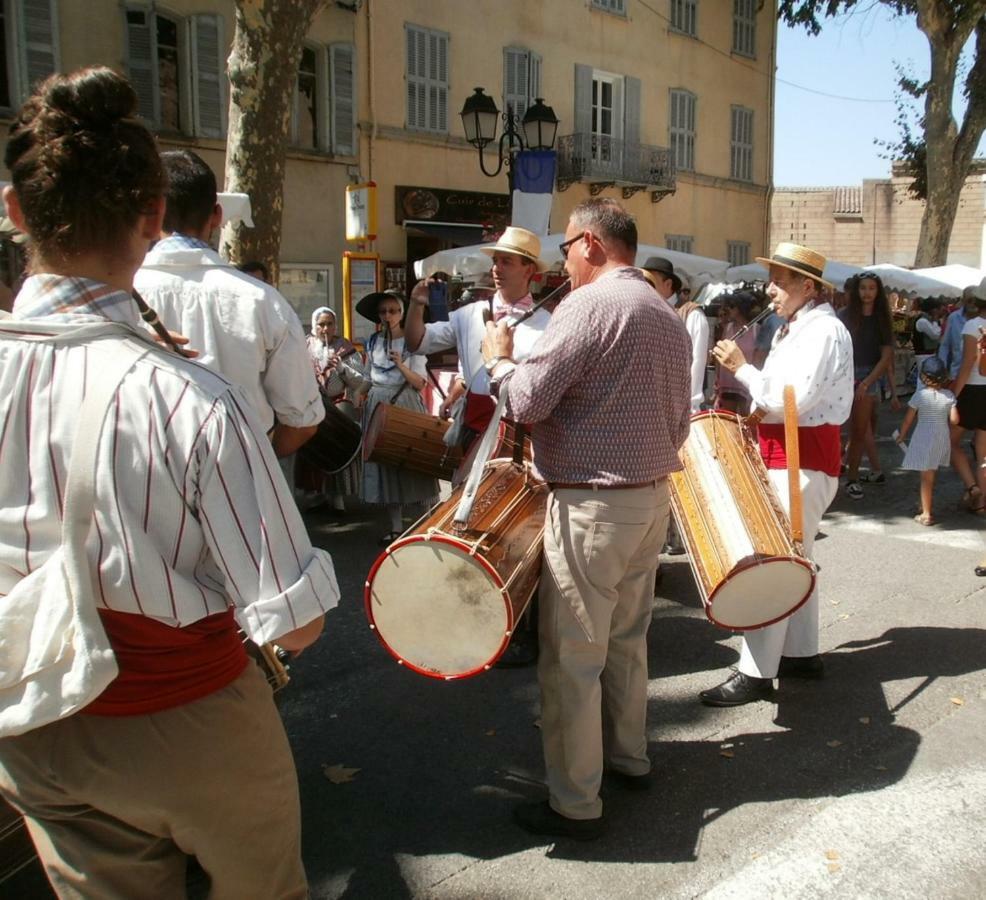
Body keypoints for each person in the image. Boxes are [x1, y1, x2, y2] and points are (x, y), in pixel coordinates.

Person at [0, 67, 336, 898]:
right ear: (152, 221)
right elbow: (295, 625)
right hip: (187, 721)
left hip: (30, 711)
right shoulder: (192, 399)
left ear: (15, 214)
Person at [482, 198, 692, 839]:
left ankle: (575, 802)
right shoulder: (664, 311)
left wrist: (498, 357)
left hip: (594, 507)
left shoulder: (590, 304)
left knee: (572, 658)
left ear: (593, 245)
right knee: (627, 641)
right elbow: (681, 418)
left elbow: (524, 399)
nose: (563, 260)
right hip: (652, 498)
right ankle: (629, 759)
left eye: (567, 246)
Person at [701, 242, 853, 707]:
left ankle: (755, 672)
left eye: (780, 281)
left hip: (802, 454)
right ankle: (802, 653)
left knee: (773, 563)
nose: (771, 288)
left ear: (808, 286)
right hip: (791, 451)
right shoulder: (800, 326)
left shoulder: (822, 330)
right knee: (796, 556)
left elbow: (794, 400)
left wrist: (743, 370)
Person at [134, 149, 322, 462]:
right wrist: (257, 462)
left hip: (144, 478)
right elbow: (302, 421)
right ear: (218, 215)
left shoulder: (116, 296)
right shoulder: (263, 301)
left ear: (150, 214)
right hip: (243, 472)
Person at [404, 226, 551, 446]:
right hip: (473, 428)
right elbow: (417, 342)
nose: (496, 269)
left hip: (519, 436)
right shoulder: (469, 314)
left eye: (506, 262)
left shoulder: (548, 324)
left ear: (528, 270)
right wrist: (416, 305)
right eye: (495, 261)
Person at [357, 290, 439, 544]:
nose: (387, 315)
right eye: (383, 312)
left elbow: (419, 383)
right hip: (377, 403)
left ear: (402, 313)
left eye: (393, 311)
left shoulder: (412, 342)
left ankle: (427, 520)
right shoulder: (372, 341)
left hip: (403, 403)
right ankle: (395, 526)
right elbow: (369, 376)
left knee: (412, 462)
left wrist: (401, 364)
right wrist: (359, 393)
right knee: (385, 465)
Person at [301, 306, 364, 510]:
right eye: (321, 324)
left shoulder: (344, 347)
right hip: (312, 405)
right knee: (313, 452)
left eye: (329, 324)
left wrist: (341, 369)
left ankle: (338, 499)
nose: (325, 328)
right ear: (314, 326)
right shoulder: (304, 346)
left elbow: (359, 382)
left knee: (338, 449)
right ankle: (315, 494)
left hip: (337, 405)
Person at [839, 272, 895, 499]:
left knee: (859, 431)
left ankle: (852, 478)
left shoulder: (883, 318)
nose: (867, 293)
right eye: (863, 288)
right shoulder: (844, 316)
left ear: (878, 291)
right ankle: (832, 470)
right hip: (843, 375)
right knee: (836, 427)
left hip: (868, 376)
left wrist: (867, 383)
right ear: (857, 290)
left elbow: (886, 356)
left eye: (872, 288)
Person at [642, 255, 709, 411]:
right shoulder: (646, 310)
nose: (646, 286)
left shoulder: (693, 315)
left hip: (679, 411)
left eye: (651, 282)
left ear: (668, 284)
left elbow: (696, 368)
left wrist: (686, 410)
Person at [895, 357, 956, 526]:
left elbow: (908, 419)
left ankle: (926, 514)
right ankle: (924, 504)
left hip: (924, 439)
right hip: (941, 439)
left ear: (924, 377)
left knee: (925, 478)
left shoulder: (919, 395)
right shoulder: (949, 395)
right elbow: (955, 419)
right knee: (931, 476)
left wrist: (901, 435)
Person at [947, 278, 986, 514]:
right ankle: (982, 503)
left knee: (950, 442)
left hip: (972, 389)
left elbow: (967, 363)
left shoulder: (973, 326)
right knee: (983, 450)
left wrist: (953, 395)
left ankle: (973, 489)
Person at [713, 290, 761, 415]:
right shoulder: (727, 328)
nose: (729, 309)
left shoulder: (756, 329)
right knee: (727, 417)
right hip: (727, 381)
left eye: (732, 306)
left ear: (741, 309)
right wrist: (717, 378)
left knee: (745, 419)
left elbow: (758, 359)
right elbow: (721, 352)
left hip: (746, 382)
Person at [938, 285, 982, 379]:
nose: (973, 304)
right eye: (970, 300)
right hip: (956, 374)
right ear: (963, 301)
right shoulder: (953, 318)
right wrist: (942, 368)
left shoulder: (983, 320)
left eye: (976, 300)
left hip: (979, 377)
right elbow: (945, 345)